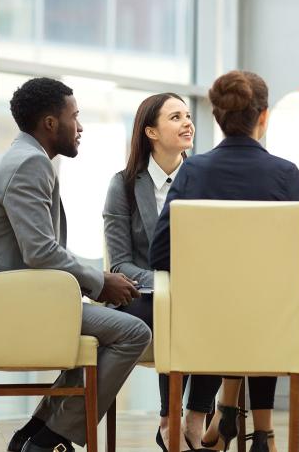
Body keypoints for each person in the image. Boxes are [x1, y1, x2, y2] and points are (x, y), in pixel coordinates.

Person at [0, 77, 150, 452]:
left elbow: (38, 251)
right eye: (74, 117)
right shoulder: (30, 164)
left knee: (102, 332)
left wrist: (97, 282)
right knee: (133, 333)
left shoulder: (19, 158)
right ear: (49, 123)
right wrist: (100, 282)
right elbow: (40, 252)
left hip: (0, 297)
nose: (80, 127)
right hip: (0, 304)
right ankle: (49, 441)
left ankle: (34, 436)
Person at [151, 70, 299, 452]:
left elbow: (159, 254)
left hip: (202, 330)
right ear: (262, 117)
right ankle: (261, 434)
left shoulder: (192, 173)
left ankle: (229, 414)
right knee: (267, 301)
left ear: (217, 117)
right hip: (271, 332)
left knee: (237, 303)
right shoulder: (284, 175)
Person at [102, 92, 221, 451]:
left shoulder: (207, 180)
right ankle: (169, 420)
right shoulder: (123, 185)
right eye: (175, 117)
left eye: (188, 115)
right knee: (168, 308)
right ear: (151, 132)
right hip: (144, 296)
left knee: (213, 311)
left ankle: (195, 419)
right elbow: (119, 263)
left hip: (200, 297)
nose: (187, 122)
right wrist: (168, 285)